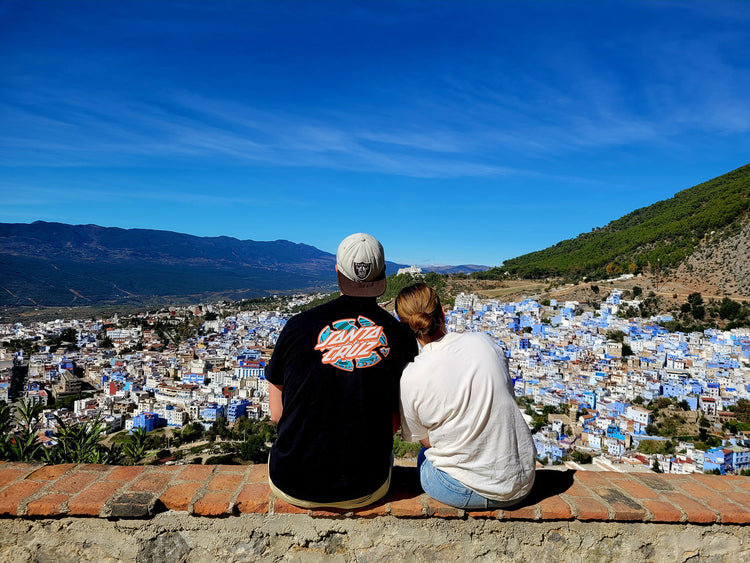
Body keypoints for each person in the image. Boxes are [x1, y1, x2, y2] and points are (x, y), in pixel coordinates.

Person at [267, 233, 418, 509]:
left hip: (291, 482)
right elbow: (394, 424)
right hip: (365, 487)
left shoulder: (296, 327)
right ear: (384, 275)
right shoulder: (400, 336)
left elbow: (277, 414)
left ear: (337, 273)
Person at [395, 283, 536, 509]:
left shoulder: (411, 377)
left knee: (424, 460)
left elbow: (426, 441)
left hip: (474, 491)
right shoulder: (484, 341)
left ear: (406, 327)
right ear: (443, 313)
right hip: (523, 482)